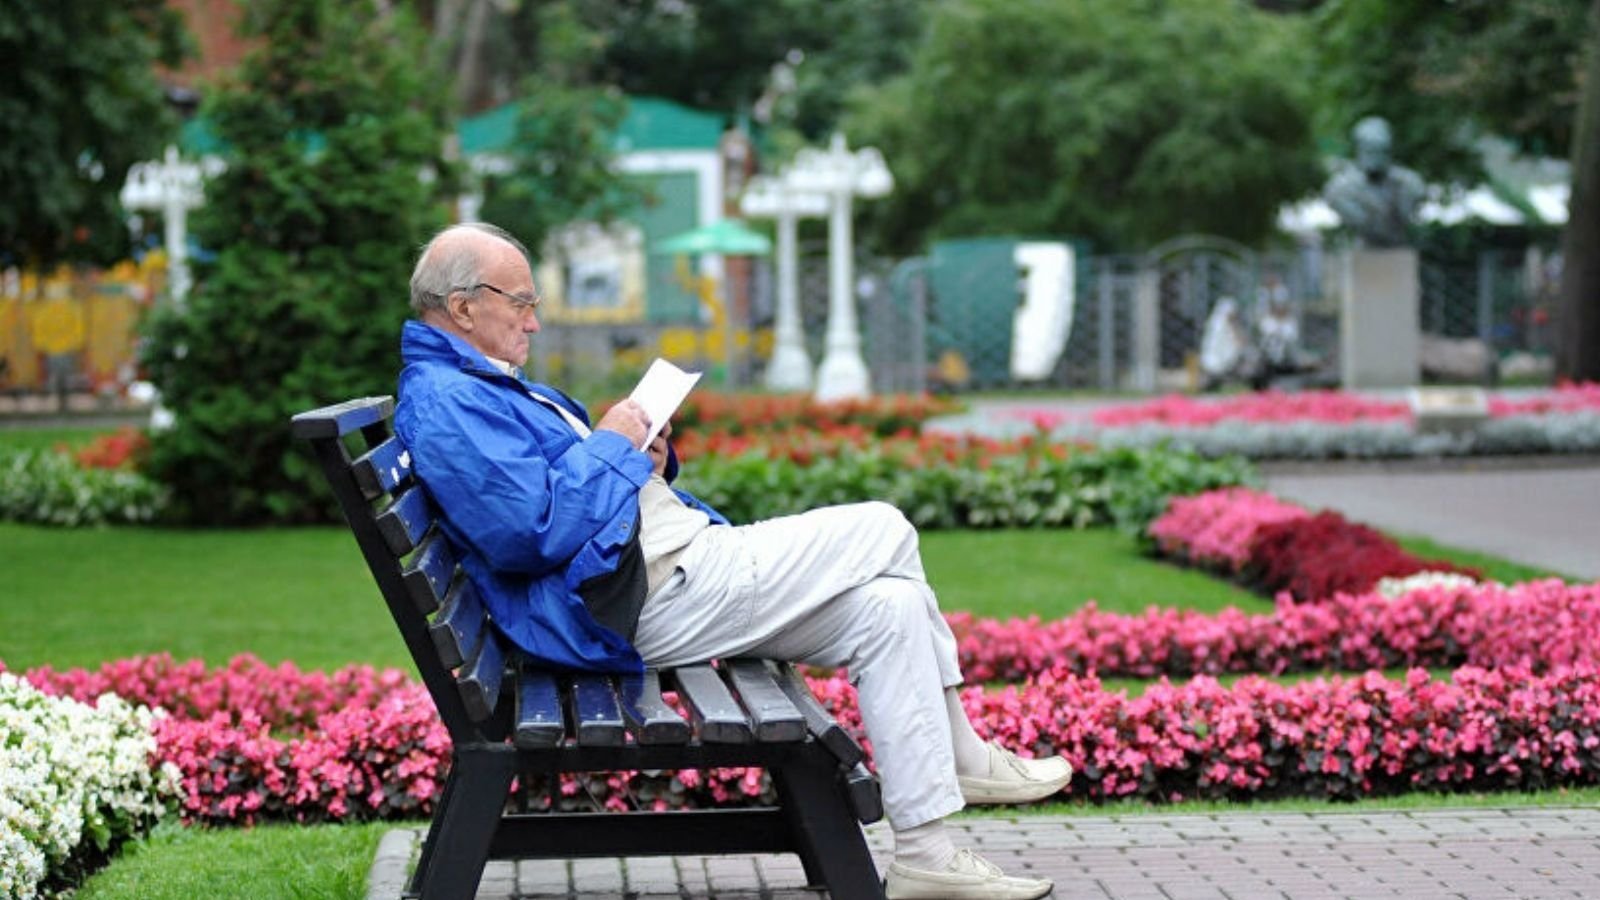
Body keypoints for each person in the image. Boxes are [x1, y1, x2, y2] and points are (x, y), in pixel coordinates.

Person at [395, 223, 1072, 900]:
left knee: (889, 610)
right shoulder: (450, 401)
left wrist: (638, 457)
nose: (535, 322)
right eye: (521, 302)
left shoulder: (475, 386)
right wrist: (611, 447)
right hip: (634, 597)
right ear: (462, 308)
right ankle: (963, 753)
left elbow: (557, 490)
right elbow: (527, 531)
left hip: (649, 577)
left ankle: (926, 855)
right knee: (885, 528)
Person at [1322, 116, 1426, 249]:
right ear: (1358, 150)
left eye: (1380, 150)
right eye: (1369, 150)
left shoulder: (1410, 184)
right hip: (1365, 251)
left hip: (1398, 252)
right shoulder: (1339, 190)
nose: (1375, 158)